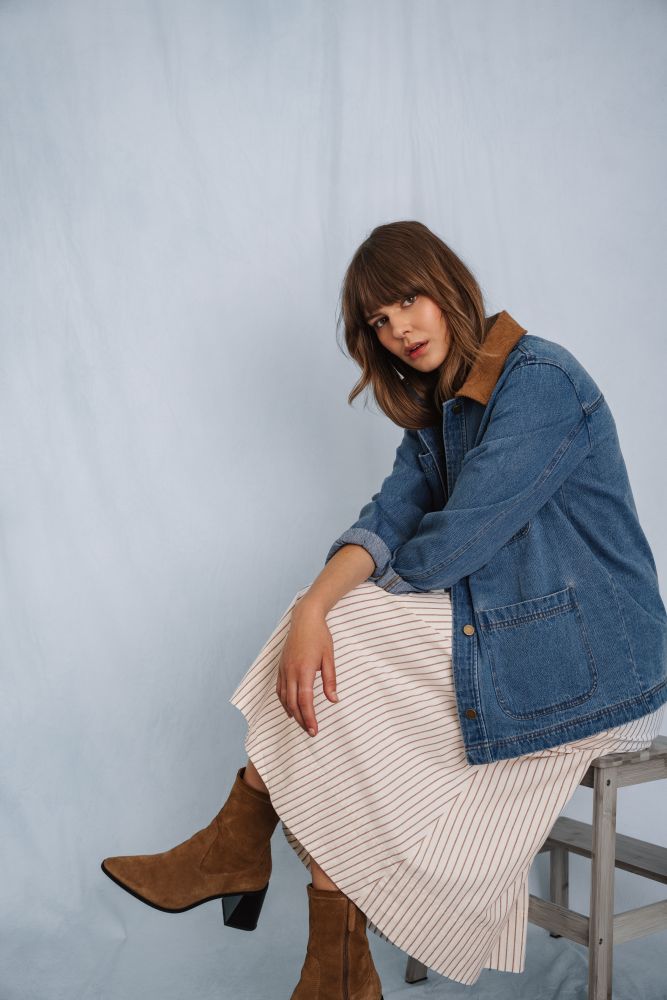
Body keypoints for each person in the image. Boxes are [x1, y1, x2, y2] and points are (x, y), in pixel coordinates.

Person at [101, 221, 667, 996]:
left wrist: (340, 614)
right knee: (334, 645)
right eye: (377, 319)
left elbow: (455, 539)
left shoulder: (539, 380)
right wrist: (310, 607)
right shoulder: (444, 409)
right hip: (519, 631)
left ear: (448, 286)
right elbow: (388, 516)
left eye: (408, 299)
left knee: (351, 638)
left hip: (601, 657)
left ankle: (241, 843)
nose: (398, 328)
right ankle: (320, 947)